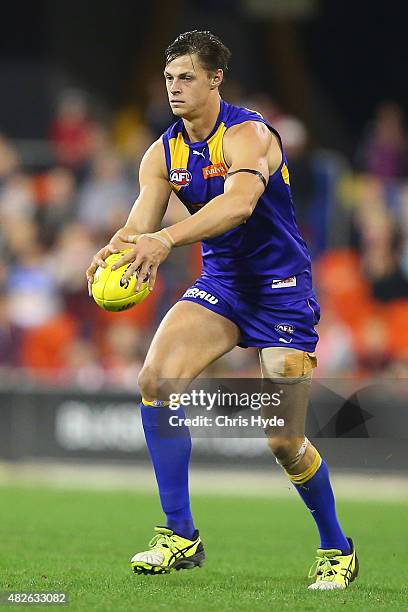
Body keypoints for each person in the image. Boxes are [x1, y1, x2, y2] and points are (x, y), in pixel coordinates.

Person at [86, 30, 358, 590]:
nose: (174, 88)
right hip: (225, 287)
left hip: (282, 290)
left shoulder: (249, 135)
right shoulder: (162, 152)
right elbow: (141, 221)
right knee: (156, 379)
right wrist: (121, 245)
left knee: (283, 441)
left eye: (186, 77)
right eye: (168, 78)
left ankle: (337, 547)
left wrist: (164, 241)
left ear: (215, 79)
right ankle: (179, 534)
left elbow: (238, 206)